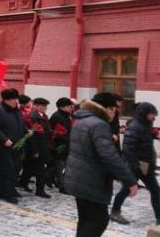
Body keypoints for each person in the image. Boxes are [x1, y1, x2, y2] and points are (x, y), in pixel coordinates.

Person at [64, 92, 138, 237]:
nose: (115, 113)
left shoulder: (82, 120)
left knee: (86, 219)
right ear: (107, 108)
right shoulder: (99, 124)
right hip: (92, 180)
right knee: (99, 220)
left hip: (78, 178)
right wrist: (129, 180)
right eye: (114, 109)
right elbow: (110, 156)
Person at [110, 102, 160, 226]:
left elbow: (142, 141)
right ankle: (115, 211)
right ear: (144, 114)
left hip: (146, 166)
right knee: (126, 189)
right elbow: (128, 150)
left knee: (155, 190)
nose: (154, 117)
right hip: (136, 166)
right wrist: (135, 167)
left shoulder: (145, 125)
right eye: (152, 114)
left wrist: (152, 135)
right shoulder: (135, 126)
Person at [0, 88, 25, 204]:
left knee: (16, 168)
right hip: (4, 146)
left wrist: (27, 131)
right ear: (7, 100)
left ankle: (12, 189)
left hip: (17, 145)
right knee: (7, 170)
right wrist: (4, 139)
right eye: (13, 99)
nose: (15, 101)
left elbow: (21, 124)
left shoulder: (16, 111)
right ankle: (5, 194)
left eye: (16, 99)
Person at [20, 97, 52, 198]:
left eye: (46, 106)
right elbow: (32, 136)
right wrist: (35, 150)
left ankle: (24, 183)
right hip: (36, 147)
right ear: (36, 106)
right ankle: (39, 190)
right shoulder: (32, 117)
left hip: (43, 146)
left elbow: (47, 130)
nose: (45, 108)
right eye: (43, 106)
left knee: (31, 168)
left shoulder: (44, 116)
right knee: (39, 169)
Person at [49, 97, 74, 193]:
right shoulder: (56, 116)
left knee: (62, 166)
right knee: (59, 166)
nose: (71, 108)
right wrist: (67, 139)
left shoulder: (68, 115)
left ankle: (50, 178)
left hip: (67, 144)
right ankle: (62, 187)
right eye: (68, 106)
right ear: (62, 107)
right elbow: (55, 133)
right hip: (59, 145)